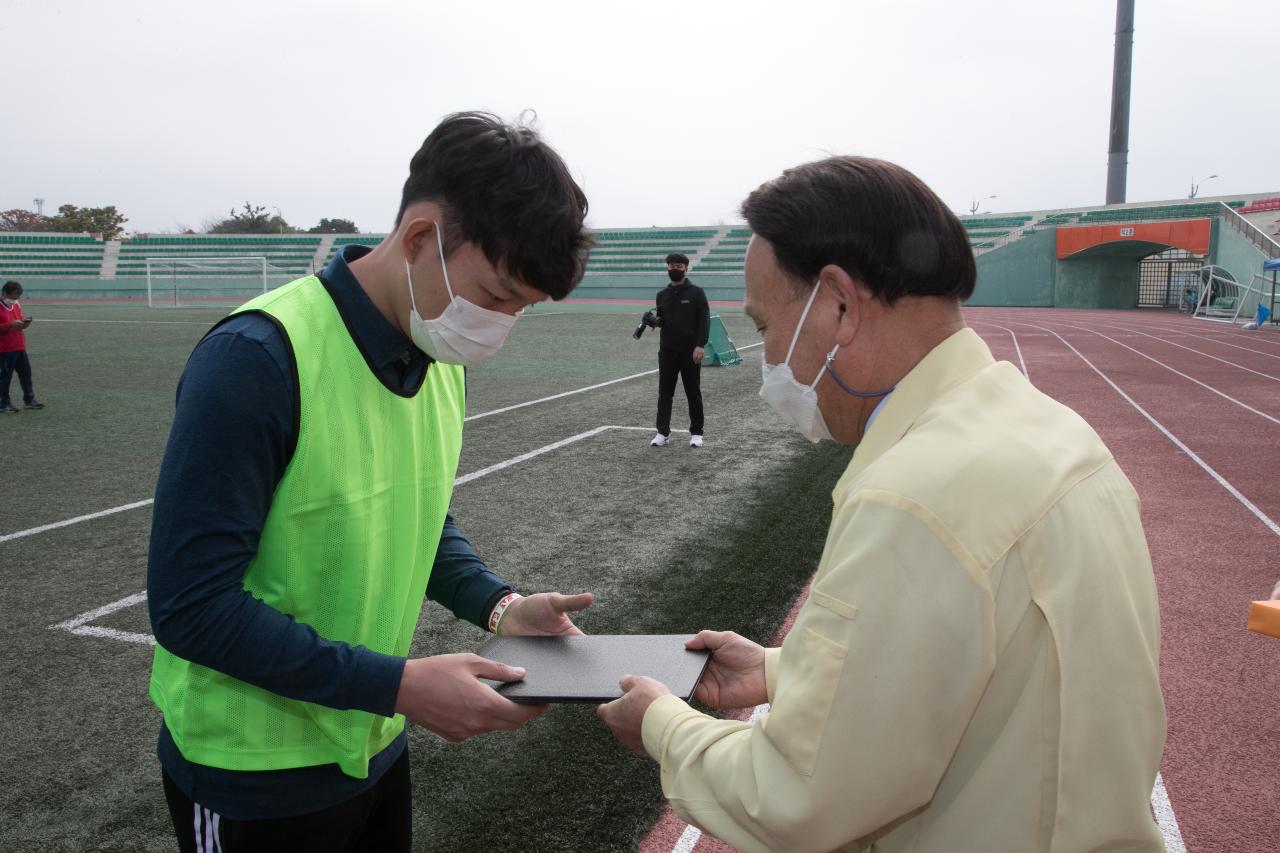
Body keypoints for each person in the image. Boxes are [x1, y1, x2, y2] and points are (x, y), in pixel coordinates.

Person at [599, 156, 1167, 852]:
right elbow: (969, 661)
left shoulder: (913, 495)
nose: (768, 356)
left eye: (765, 324)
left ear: (837, 304)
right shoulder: (1057, 435)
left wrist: (662, 725)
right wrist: (780, 669)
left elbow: (800, 797)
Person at [147, 112, 595, 853]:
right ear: (420, 239)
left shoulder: (436, 358)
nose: (500, 324)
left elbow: (412, 511)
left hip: (375, 743)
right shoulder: (255, 359)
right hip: (251, 775)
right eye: (496, 294)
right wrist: (400, 684)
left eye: (521, 309)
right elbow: (192, 607)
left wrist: (499, 603)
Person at [650, 252, 710, 448]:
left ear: (686, 268)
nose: (675, 269)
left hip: (690, 352)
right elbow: (662, 321)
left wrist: (700, 345)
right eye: (671, 265)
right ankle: (662, 432)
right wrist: (653, 321)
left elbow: (704, 321)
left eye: (679, 266)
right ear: (667, 268)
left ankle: (696, 433)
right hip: (667, 352)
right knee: (664, 394)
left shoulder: (697, 293)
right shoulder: (662, 295)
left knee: (693, 393)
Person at [0, 280, 44, 414]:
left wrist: (24, 324)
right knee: (5, 377)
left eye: (17, 297)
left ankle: (29, 399)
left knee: (26, 374)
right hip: (5, 349)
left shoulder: (16, 305)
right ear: (4, 293)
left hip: (19, 346)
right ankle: (3, 404)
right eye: (12, 297)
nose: (15, 300)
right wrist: (10, 325)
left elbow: (20, 318)